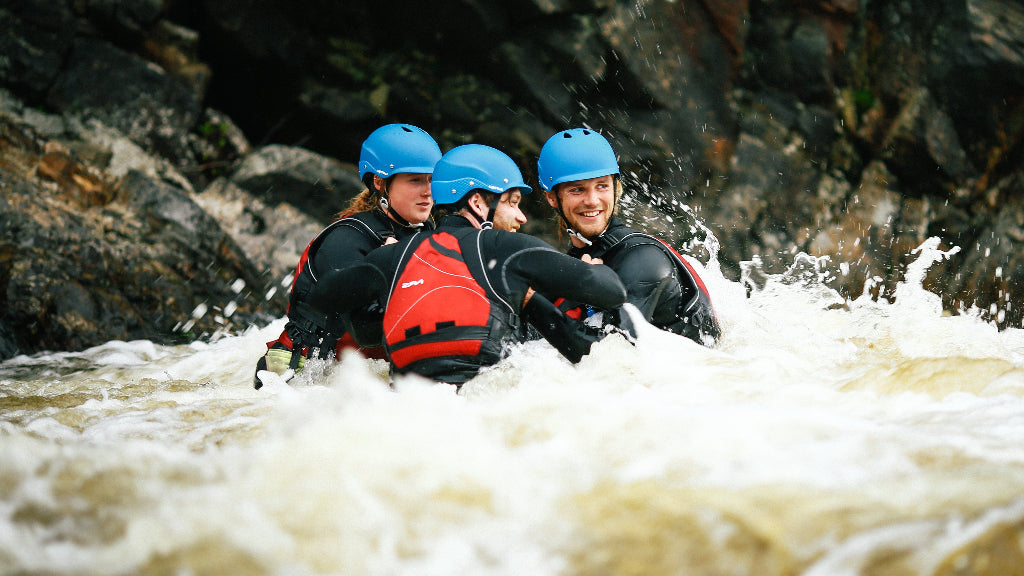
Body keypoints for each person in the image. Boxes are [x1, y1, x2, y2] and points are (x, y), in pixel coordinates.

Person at [307, 144, 629, 387]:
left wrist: (384, 277)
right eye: (512, 202)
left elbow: (323, 298)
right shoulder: (503, 249)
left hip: (404, 409)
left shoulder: (394, 257)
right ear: (477, 202)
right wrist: (595, 266)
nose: (521, 218)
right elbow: (610, 291)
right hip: (482, 403)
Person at [253, 123, 442, 389]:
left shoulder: (426, 234)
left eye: (432, 179)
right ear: (380, 182)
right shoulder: (346, 238)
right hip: (301, 376)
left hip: (366, 376)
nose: (428, 190)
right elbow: (364, 328)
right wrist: (388, 267)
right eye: (415, 180)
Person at [537, 127, 720, 345]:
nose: (592, 200)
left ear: (616, 189)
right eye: (577, 190)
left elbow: (610, 355)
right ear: (552, 198)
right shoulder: (579, 261)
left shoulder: (642, 259)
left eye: (602, 186)